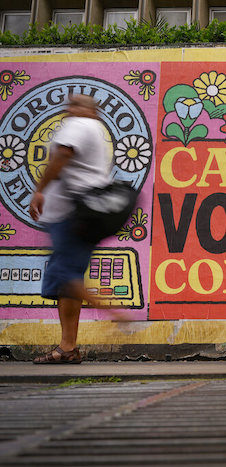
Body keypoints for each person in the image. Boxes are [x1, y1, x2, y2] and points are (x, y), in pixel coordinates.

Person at [29, 94, 111, 364]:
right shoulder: (96, 130)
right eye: (69, 104)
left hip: (71, 215)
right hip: (77, 214)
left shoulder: (80, 124)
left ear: (90, 111)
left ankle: (111, 315)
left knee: (65, 275)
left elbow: (63, 153)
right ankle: (68, 347)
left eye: (76, 105)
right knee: (66, 277)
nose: (69, 109)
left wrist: (39, 191)